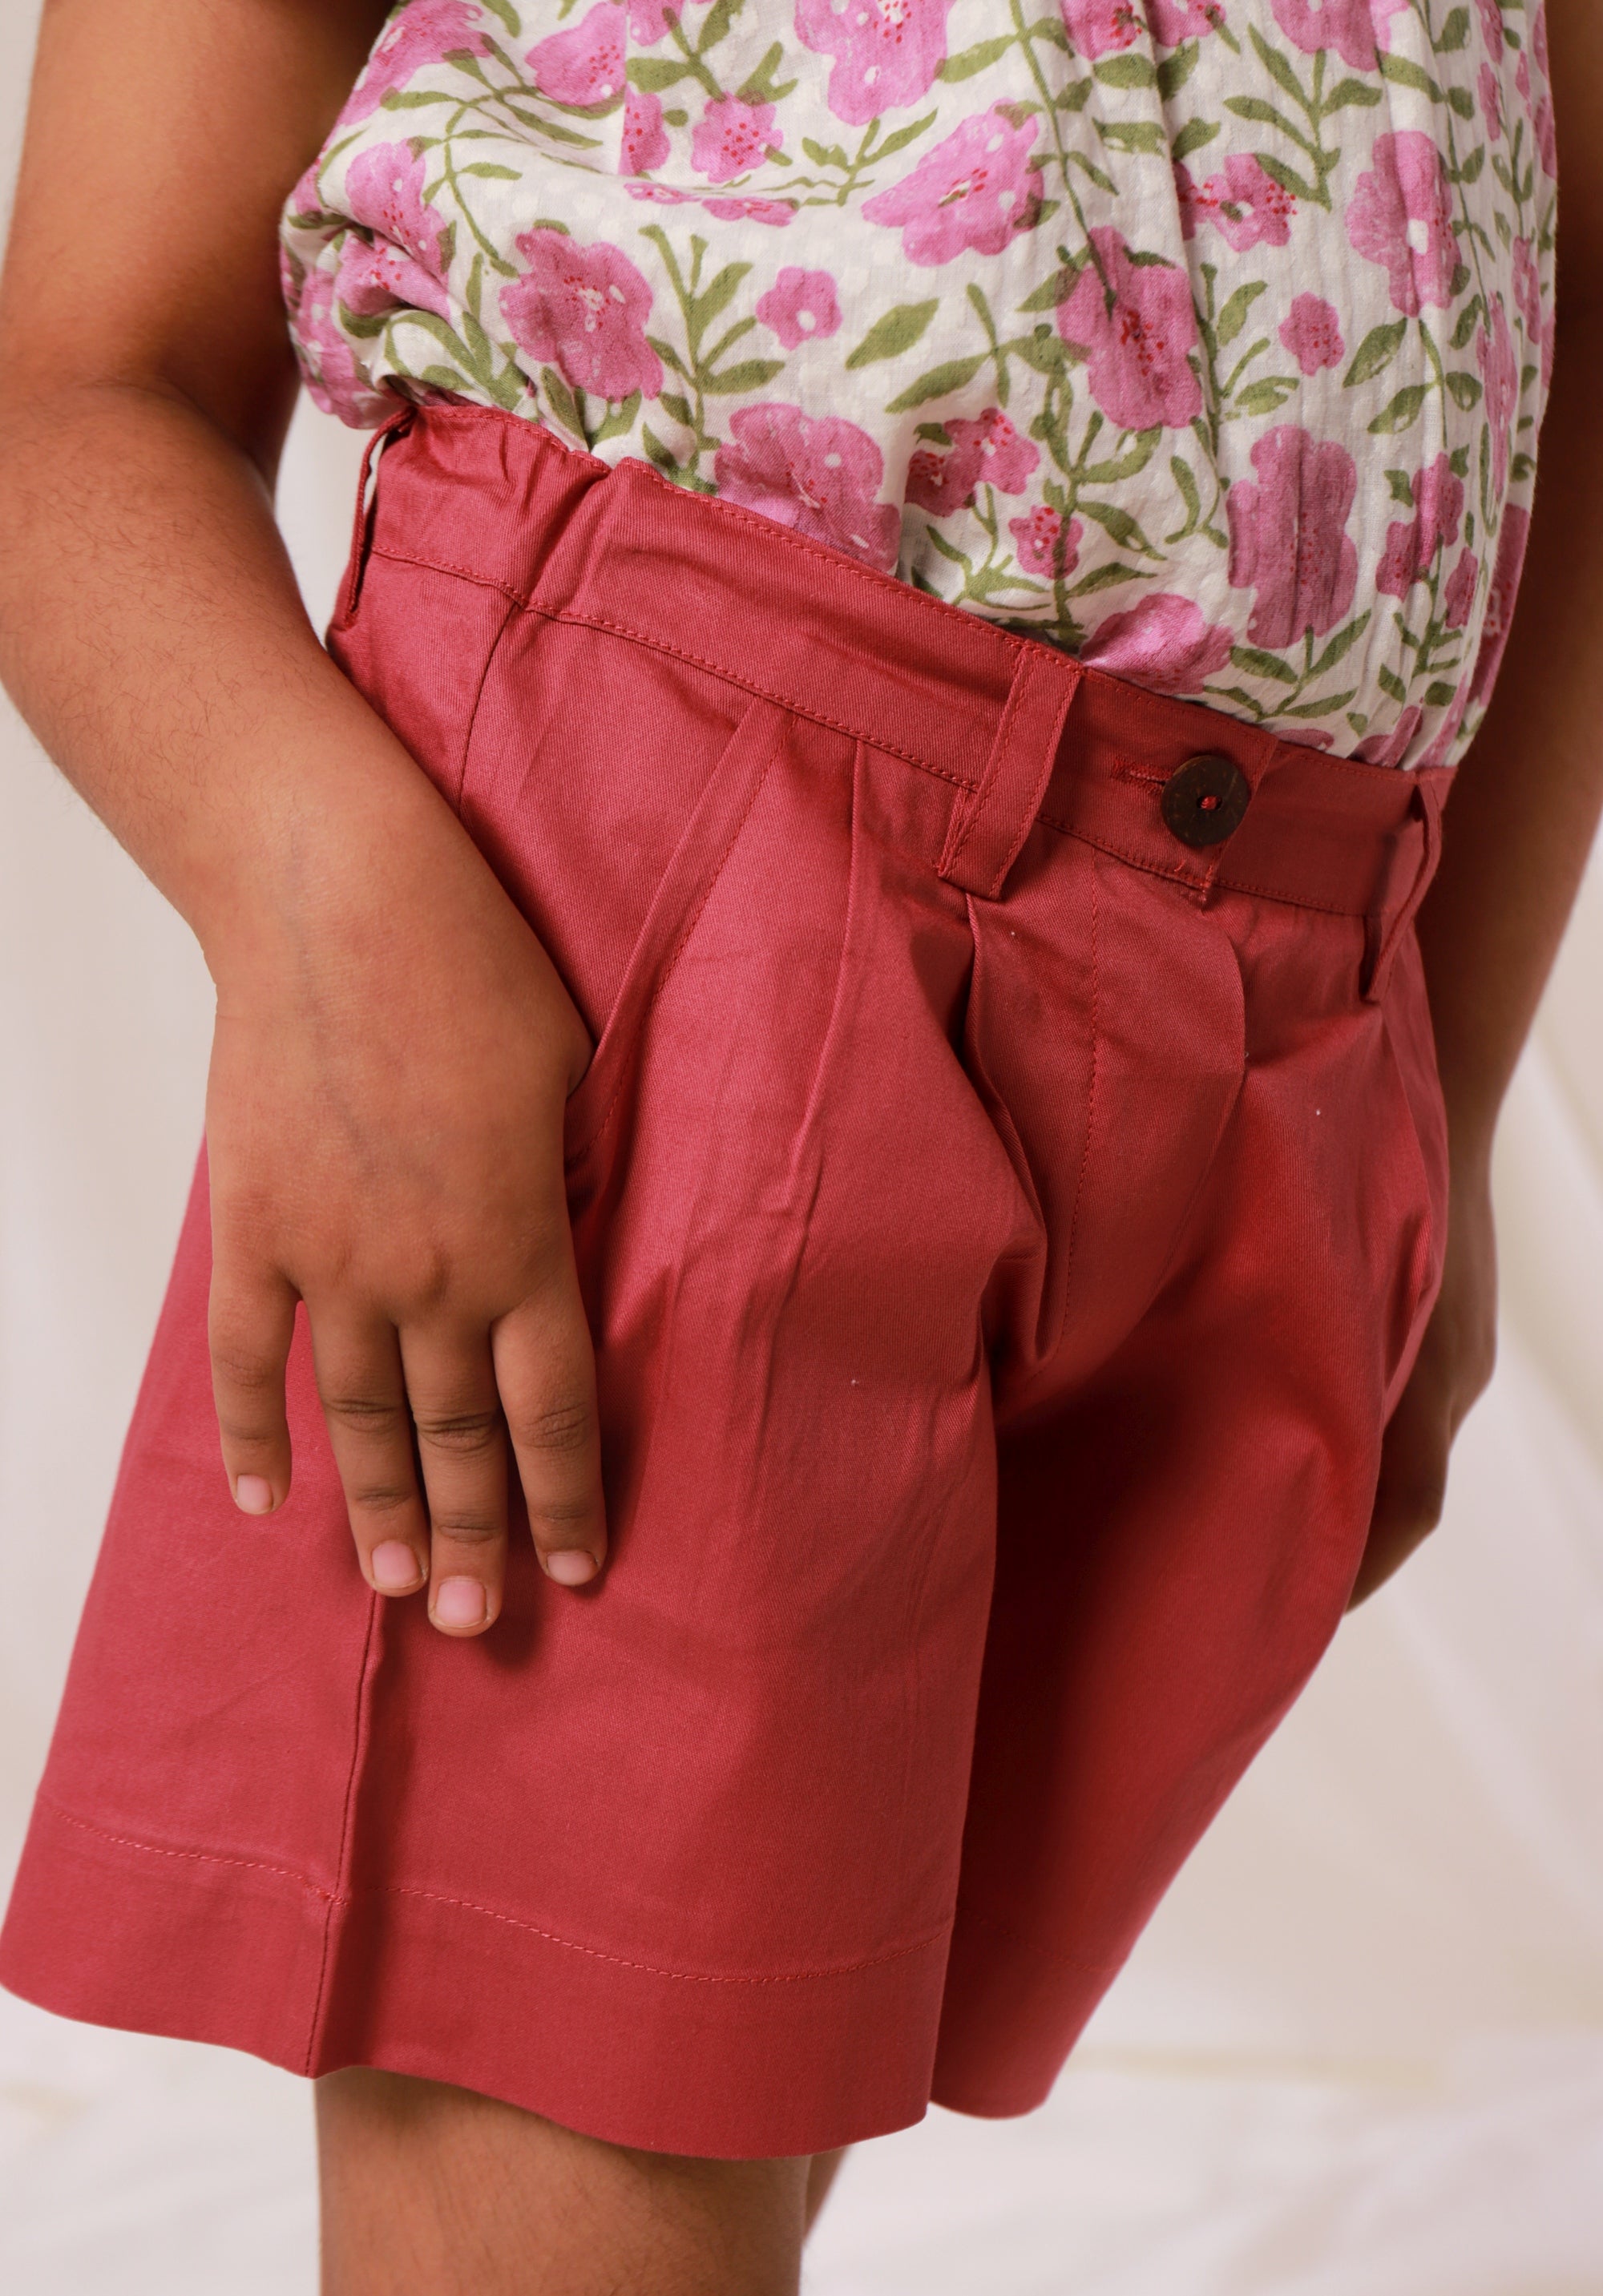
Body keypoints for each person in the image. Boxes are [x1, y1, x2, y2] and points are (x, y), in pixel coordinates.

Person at [0, 0, 1597, 2287]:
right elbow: (83, 374)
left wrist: (1440, 1058)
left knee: (747, 2149)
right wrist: (315, 885)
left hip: (1286, 1005)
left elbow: (1577, 240)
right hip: (643, 947)